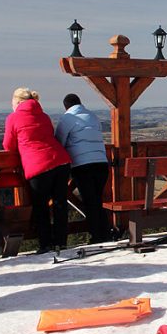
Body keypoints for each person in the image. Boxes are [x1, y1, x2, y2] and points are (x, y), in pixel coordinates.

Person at [3, 88, 72, 253]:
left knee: (40, 206)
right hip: (61, 161)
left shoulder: (13, 118)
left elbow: (8, 145)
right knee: (60, 204)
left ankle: (45, 244)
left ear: (18, 102)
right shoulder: (44, 116)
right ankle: (61, 242)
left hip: (38, 164)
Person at [55, 94, 111, 244]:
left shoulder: (67, 119)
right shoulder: (92, 116)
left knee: (89, 201)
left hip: (82, 164)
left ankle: (97, 236)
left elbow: (59, 141)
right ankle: (105, 233)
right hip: (101, 163)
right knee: (97, 199)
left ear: (66, 106)